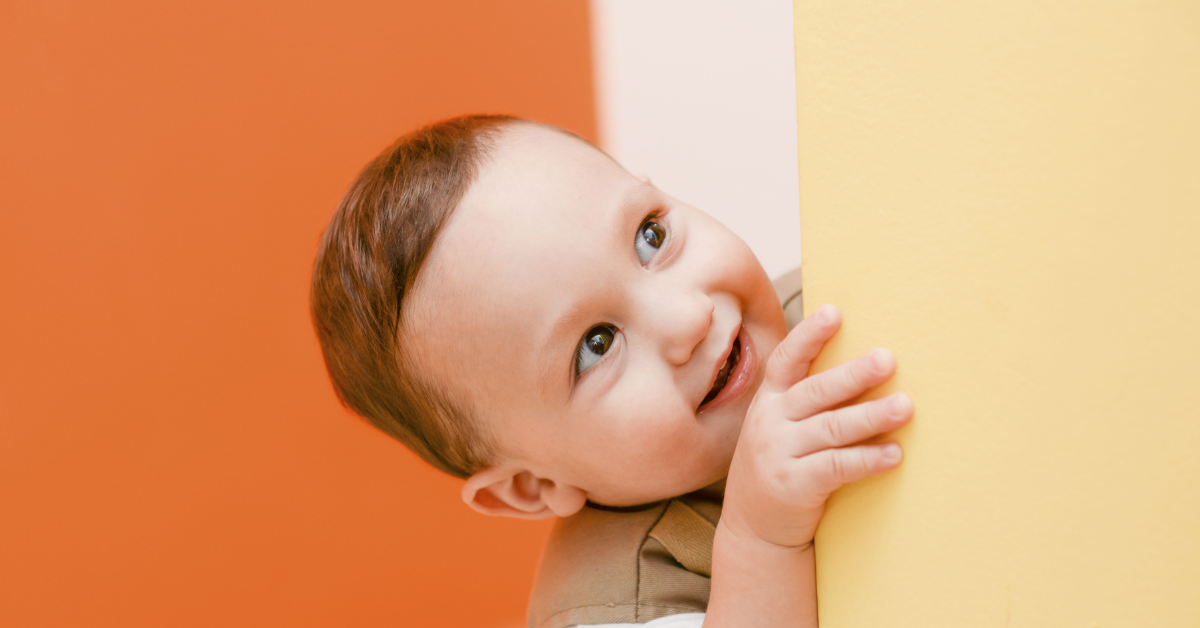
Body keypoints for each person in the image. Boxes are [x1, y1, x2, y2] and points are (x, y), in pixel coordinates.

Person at [310, 115, 913, 627]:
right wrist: (760, 542)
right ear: (533, 487)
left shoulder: (823, 305)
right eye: (597, 344)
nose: (688, 317)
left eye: (651, 237)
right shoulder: (617, 601)